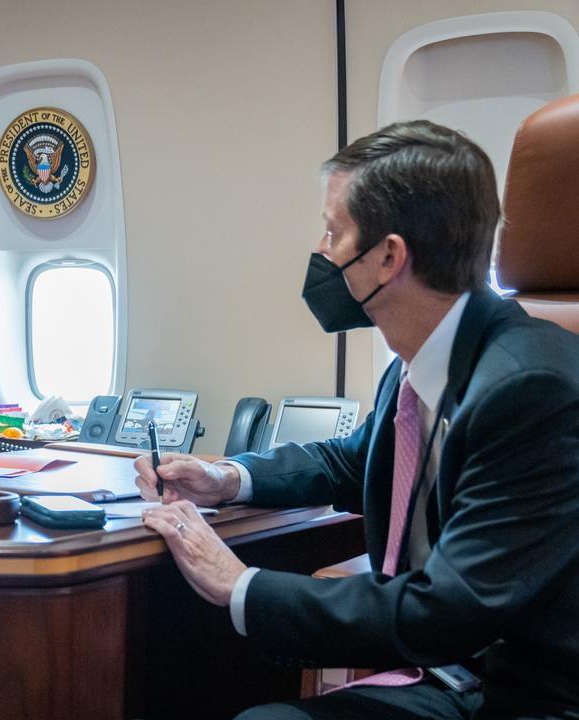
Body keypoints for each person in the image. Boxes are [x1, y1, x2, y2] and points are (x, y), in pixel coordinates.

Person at [137, 121, 579, 719]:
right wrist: (228, 479)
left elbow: (445, 611)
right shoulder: (422, 361)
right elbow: (355, 459)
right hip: (453, 669)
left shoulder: (529, 390)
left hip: (524, 694)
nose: (322, 252)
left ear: (388, 257)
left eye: (333, 231)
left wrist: (239, 584)